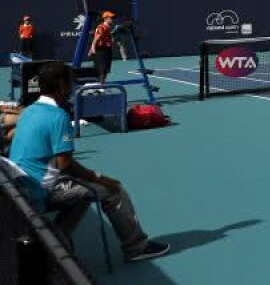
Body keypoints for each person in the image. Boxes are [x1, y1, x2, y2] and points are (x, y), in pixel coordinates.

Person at [6, 61, 169, 262]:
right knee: (114, 191)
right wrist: (101, 179)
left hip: (20, 186)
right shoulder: (58, 116)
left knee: (82, 194)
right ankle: (137, 247)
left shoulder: (28, 111)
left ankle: (59, 237)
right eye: (71, 82)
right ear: (60, 85)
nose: (73, 87)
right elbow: (65, 164)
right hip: (41, 190)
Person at [89, 11, 117, 85]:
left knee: (105, 70)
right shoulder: (102, 27)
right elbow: (96, 38)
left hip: (107, 50)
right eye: (111, 18)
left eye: (113, 18)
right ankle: (100, 86)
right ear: (105, 18)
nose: (113, 19)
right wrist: (92, 48)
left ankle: (102, 85)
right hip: (101, 51)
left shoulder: (109, 28)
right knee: (102, 70)